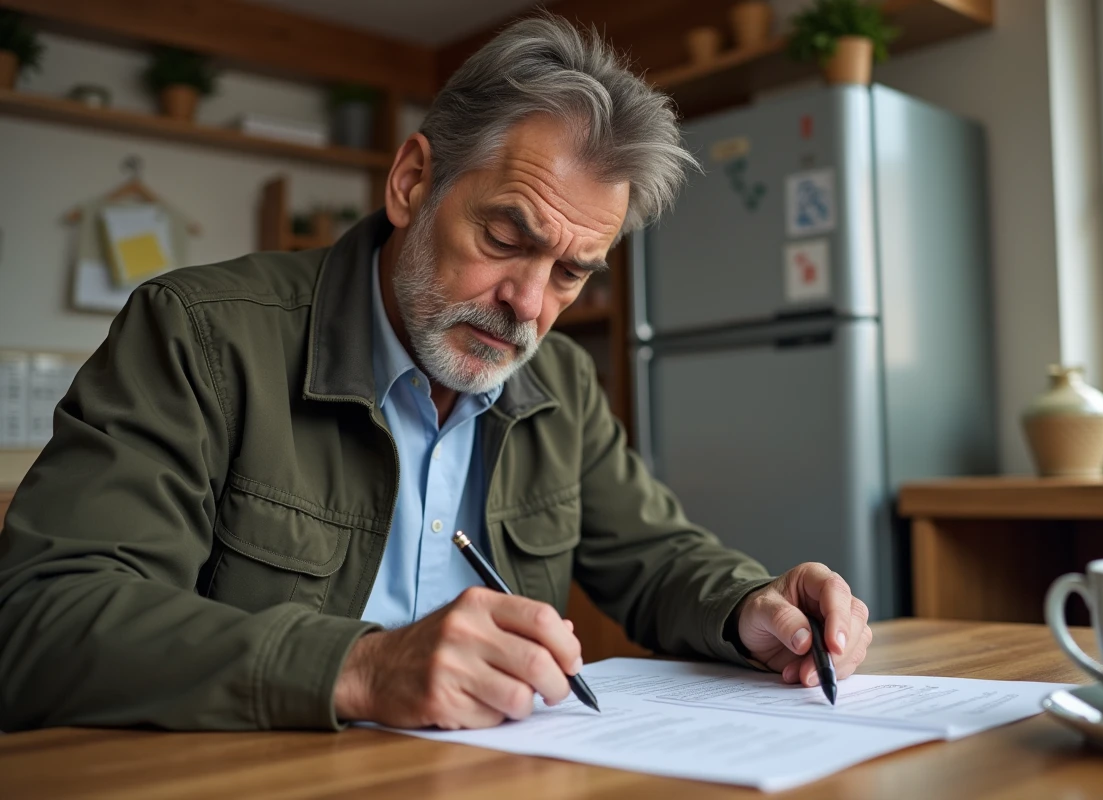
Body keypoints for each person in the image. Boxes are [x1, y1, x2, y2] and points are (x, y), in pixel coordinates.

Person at [0, 14, 871, 732]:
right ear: (413, 182)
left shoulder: (560, 384)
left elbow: (655, 557)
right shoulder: (197, 336)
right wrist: (361, 666)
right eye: (505, 237)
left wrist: (751, 605)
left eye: (571, 272)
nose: (529, 305)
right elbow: (41, 620)